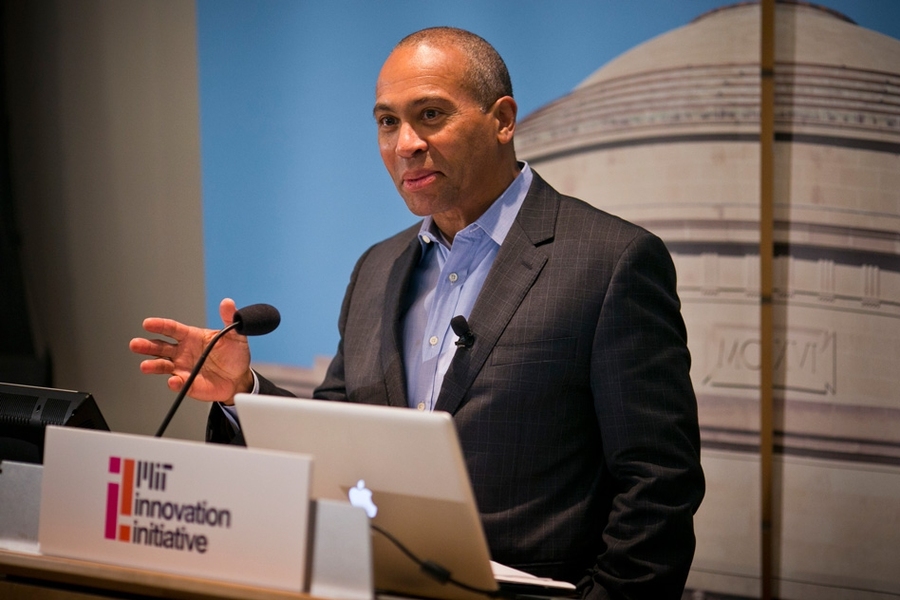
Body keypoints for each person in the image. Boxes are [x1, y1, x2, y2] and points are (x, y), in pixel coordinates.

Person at [130, 27, 704, 600]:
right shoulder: (377, 269)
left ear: (502, 120)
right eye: (387, 122)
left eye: (430, 115)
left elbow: (658, 486)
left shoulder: (611, 262)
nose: (406, 143)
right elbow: (339, 437)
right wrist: (245, 392)